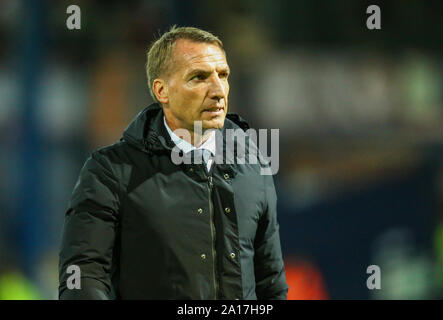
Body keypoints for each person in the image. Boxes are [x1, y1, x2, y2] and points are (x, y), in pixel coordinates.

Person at [58, 26, 288, 300]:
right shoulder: (110, 171)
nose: (218, 90)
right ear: (162, 91)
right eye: (199, 77)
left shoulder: (254, 166)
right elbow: (83, 275)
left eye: (223, 75)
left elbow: (270, 282)